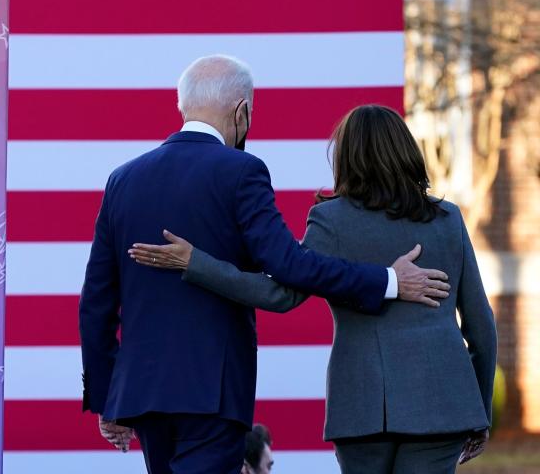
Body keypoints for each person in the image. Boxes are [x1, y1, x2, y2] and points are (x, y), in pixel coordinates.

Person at [79, 56, 451, 474]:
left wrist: (107, 397)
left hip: (142, 392)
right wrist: (388, 281)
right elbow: (290, 265)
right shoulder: (241, 170)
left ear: (183, 106)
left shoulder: (123, 179)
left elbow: (95, 301)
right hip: (212, 391)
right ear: (241, 111)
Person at [130, 104, 497, 474]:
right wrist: (479, 411)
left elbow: (280, 294)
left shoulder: (332, 219)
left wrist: (197, 263)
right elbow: (481, 325)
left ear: (347, 157)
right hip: (444, 404)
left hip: (361, 409)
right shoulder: (448, 220)